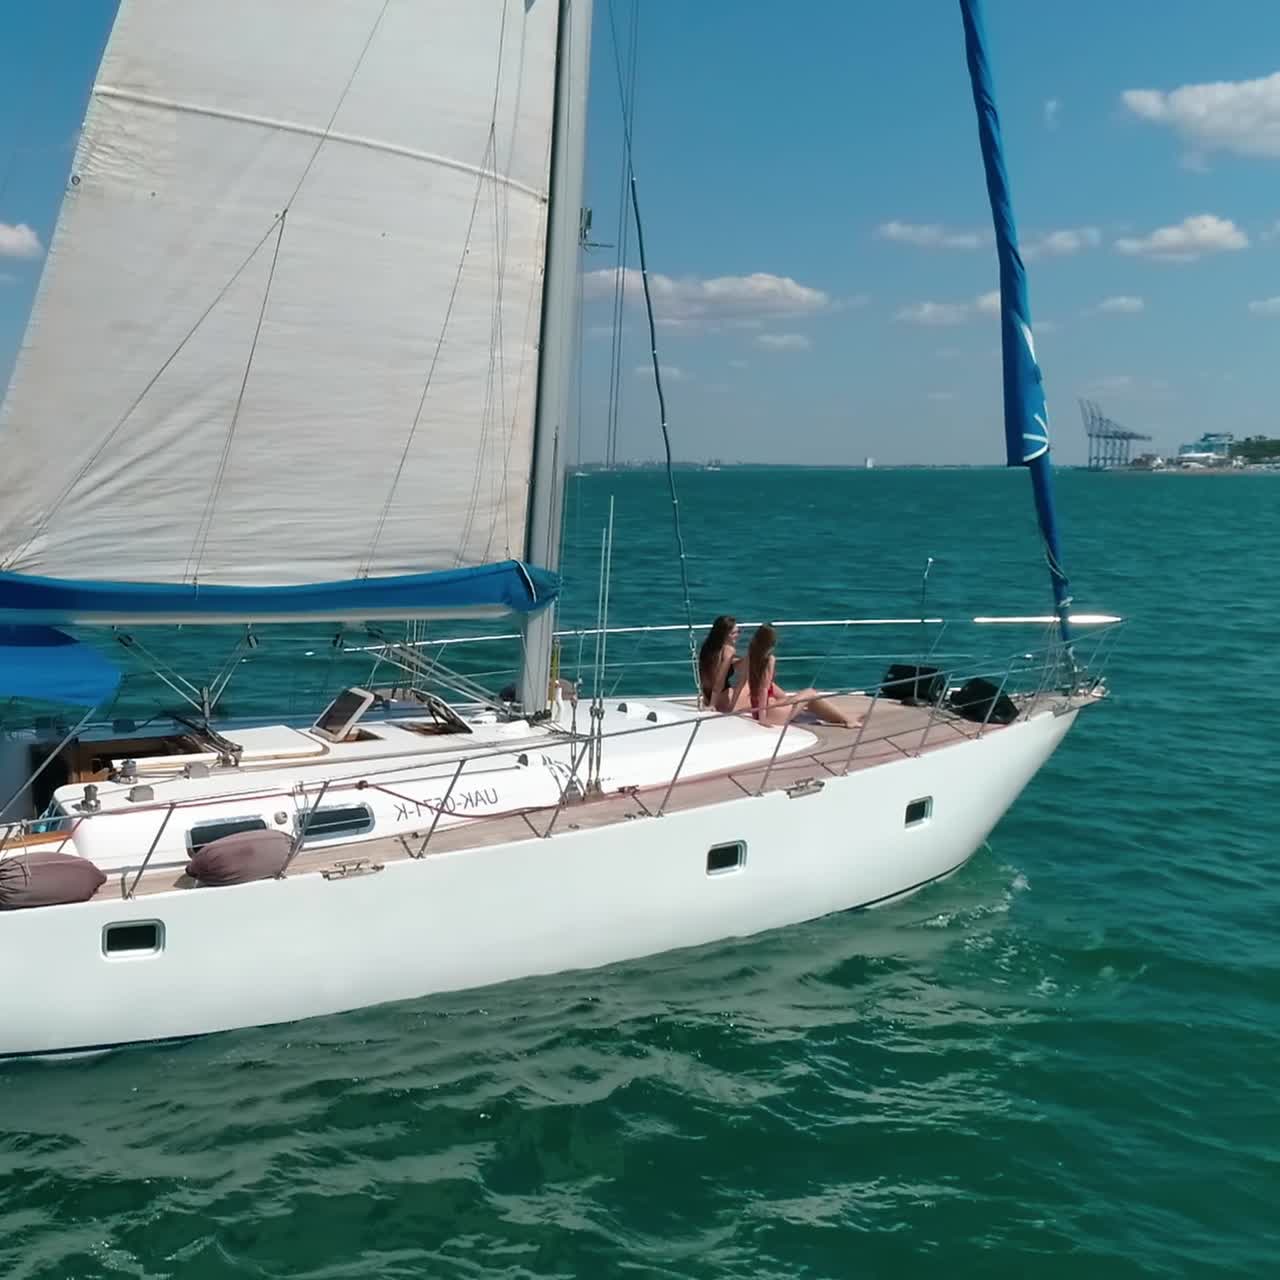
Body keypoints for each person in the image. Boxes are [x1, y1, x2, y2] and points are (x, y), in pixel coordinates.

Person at [740, 624, 859, 728]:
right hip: (770, 713)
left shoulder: (753, 656)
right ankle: (847, 720)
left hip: (762, 710)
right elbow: (763, 689)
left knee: (803, 699)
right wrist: (763, 719)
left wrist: (785, 699)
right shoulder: (769, 659)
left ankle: (841, 718)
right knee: (810, 693)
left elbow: (765, 686)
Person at [697, 615, 742, 711]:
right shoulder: (729, 650)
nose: (737, 635)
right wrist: (712, 705)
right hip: (722, 698)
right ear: (724, 634)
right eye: (733, 633)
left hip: (706, 697)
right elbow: (720, 680)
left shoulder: (707, 647)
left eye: (738, 631)